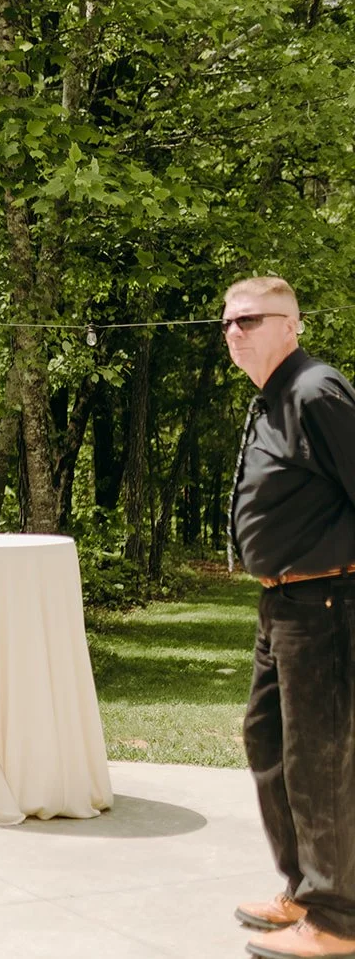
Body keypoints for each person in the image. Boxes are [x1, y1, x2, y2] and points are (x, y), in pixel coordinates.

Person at [224, 276, 355, 959]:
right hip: (282, 602)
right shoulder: (271, 400)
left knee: (319, 760)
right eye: (227, 322)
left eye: (249, 318)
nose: (235, 331)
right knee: (267, 743)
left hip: (327, 603)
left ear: (291, 325)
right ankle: (304, 890)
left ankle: (338, 921)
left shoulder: (314, 391)